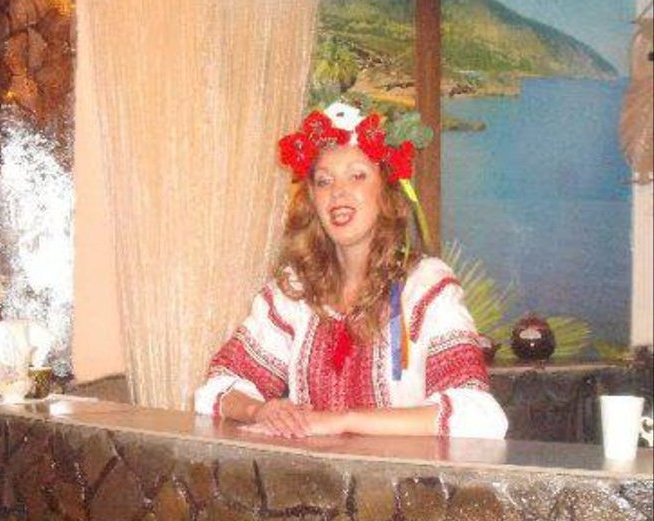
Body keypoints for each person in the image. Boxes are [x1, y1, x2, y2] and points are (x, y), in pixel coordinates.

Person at [194, 102, 507, 439]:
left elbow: (480, 416)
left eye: (357, 175)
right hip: (310, 472)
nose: (338, 192)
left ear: (385, 191)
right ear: (312, 199)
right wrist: (261, 410)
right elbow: (218, 386)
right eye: (324, 181)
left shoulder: (424, 287)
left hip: (401, 474)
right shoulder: (295, 291)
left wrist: (343, 421)